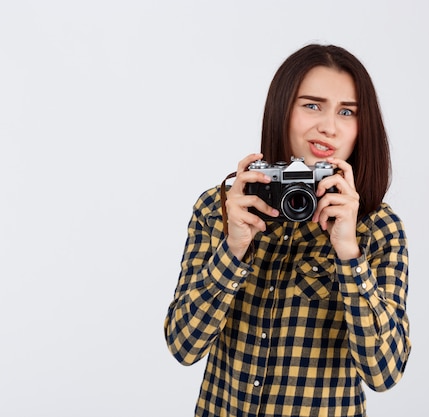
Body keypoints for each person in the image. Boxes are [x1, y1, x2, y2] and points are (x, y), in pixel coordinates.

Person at [164, 43, 411, 417]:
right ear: (283, 109)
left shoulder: (378, 227)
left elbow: (384, 372)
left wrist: (348, 252)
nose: (328, 126)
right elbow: (184, 346)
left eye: (347, 112)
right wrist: (233, 248)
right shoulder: (223, 208)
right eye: (311, 105)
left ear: (363, 127)